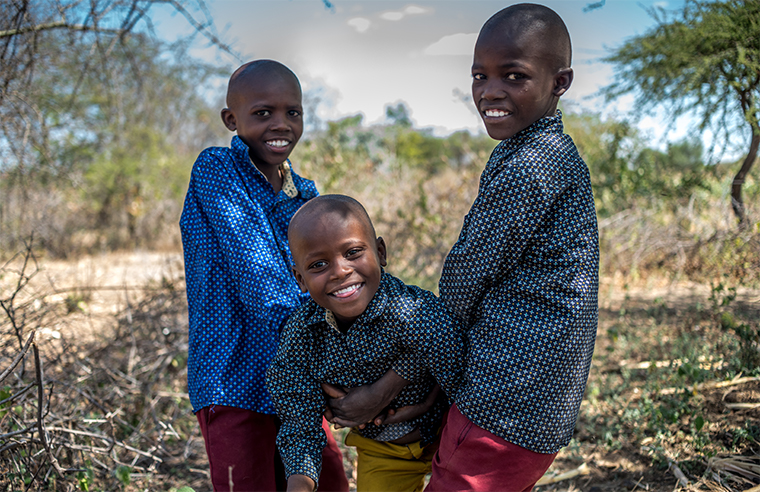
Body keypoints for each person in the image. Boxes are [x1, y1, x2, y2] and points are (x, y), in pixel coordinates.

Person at [324, 4, 599, 492]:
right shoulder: (540, 153)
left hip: (504, 401)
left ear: (560, 83)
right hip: (532, 406)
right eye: (480, 76)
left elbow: (462, 284)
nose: (490, 92)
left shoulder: (531, 167)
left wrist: (394, 381)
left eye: (513, 76)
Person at [179, 60, 348, 492]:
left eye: (293, 112)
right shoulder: (216, 170)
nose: (281, 124)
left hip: (296, 384)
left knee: (327, 482)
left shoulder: (305, 194)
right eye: (263, 113)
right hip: (232, 377)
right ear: (231, 120)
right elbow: (262, 280)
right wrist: (335, 360)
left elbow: (324, 282)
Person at [266, 195, 464, 492]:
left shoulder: (414, 311)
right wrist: (300, 486)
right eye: (318, 264)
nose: (340, 271)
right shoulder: (301, 337)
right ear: (300, 279)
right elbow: (299, 426)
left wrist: (427, 402)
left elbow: (464, 380)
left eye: (353, 252)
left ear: (380, 252)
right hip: (383, 453)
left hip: (452, 438)